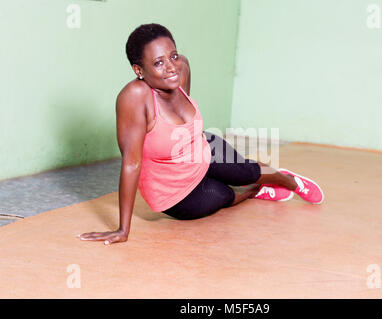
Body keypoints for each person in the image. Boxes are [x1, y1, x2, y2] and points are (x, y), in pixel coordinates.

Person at [79, 24, 324, 245]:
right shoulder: (134, 97)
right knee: (227, 195)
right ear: (138, 70)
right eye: (158, 63)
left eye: (172, 56)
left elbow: (183, 116)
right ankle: (259, 191)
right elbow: (132, 162)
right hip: (173, 189)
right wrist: (123, 229)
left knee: (246, 171)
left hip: (200, 147)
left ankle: (290, 181)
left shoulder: (181, 68)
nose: (171, 67)